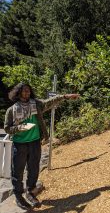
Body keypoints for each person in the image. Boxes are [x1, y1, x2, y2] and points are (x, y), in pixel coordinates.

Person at [4, 82, 80, 210]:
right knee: (18, 171)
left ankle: (30, 192)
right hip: (20, 144)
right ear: (18, 93)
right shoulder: (11, 110)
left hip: (35, 142)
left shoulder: (36, 104)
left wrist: (66, 96)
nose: (27, 93)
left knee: (34, 169)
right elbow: (7, 128)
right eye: (24, 91)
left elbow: (51, 100)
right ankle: (18, 196)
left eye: (28, 90)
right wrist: (19, 128)